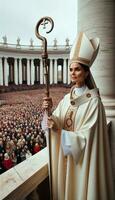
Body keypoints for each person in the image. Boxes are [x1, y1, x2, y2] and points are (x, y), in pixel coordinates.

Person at [42, 32, 114, 200]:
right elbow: (53, 123)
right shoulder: (67, 99)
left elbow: (86, 140)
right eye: (70, 69)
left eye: (77, 69)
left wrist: (59, 132)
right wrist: (48, 112)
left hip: (83, 166)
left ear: (87, 73)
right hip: (66, 160)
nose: (73, 73)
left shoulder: (94, 103)